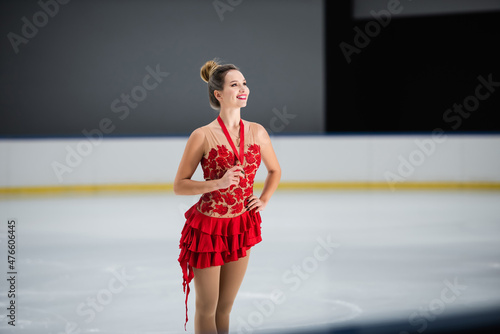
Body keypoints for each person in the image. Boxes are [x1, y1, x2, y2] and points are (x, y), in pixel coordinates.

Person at [174, 58, 281, 333]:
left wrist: (264, 199)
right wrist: (216, 184)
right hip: (208, 230)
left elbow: (274, 170)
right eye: (235, 84)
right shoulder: (201, 135)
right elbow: (180, 185)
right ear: (218, 94)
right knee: (206, 308)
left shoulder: (257, 132)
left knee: (225, 307)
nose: (243, 88)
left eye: (244, 83)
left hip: (240, 225)